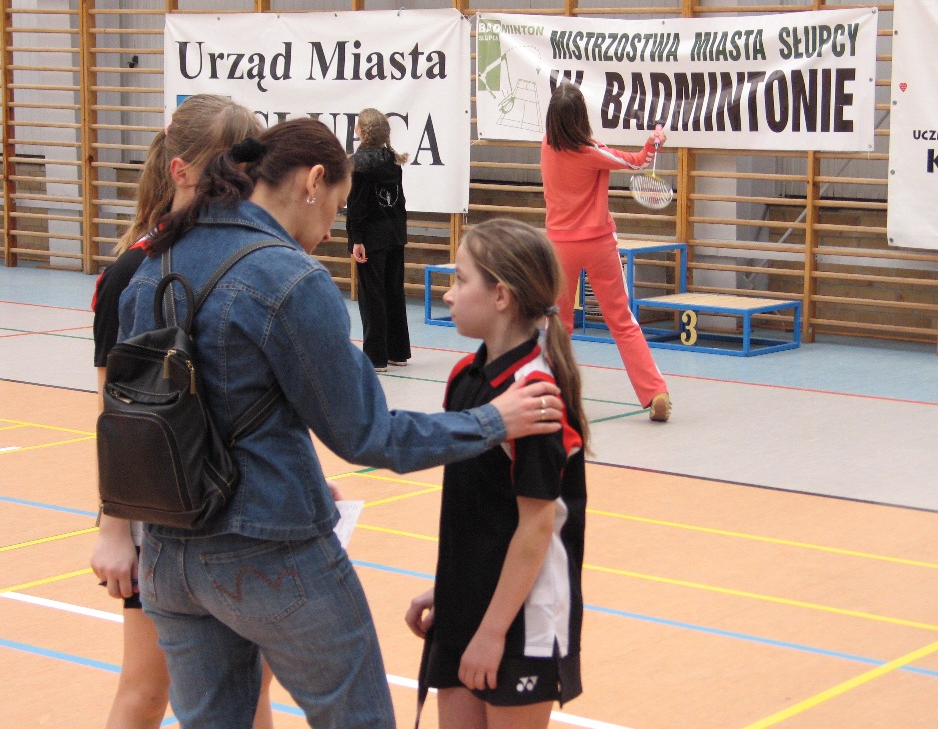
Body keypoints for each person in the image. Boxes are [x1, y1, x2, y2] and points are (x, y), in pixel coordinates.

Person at [118, 117, 564, 729]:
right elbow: (371, 436)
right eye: (337, 205)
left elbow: (147, 414)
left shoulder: (155, 262)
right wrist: (490, 421)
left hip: (168, 555)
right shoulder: (287, 278)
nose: (332, 228)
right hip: (269, 551)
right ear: (313, 182)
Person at [90, 94, 276, 729]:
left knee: (252, 686)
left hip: (243, 509)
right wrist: (115, 530)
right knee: (148, 687)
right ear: (182, 170)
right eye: (227, 168)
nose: (239, 184)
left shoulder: (250, 261)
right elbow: (118, 418)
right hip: (165, 511)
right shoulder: (133, 272)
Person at [405, 218, 588, 729]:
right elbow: (477, 508)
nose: (448, 294)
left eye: (460, 280)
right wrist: (451, 588)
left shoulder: (535, 395)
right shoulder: (465, 377)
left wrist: (491, 632)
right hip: (467, 604)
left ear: (501, 295)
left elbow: (536, 526)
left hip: (521, 619)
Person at [540, 81, 672, 422]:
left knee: (558, 324)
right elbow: (638, 163)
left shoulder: (547, 146)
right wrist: (653, 142)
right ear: (582, 117)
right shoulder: (591, 152)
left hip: (560, 247)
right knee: (622, 322)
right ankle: (654, 392)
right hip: (599, 244)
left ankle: (549, 393)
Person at [346, 108, 412, 374]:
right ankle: (398, 352)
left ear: (361, 131)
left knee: (372, 296)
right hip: (394, 233)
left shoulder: (358, 163)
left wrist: (356, 239)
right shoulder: (392, 159)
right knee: (393, 292)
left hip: (371, 237)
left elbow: (357, 205)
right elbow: (398, 200)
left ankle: (375, 357)